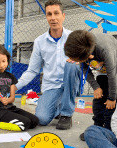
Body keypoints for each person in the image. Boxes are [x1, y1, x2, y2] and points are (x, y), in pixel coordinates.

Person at [15, 0, 81, 130]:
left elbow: (85, 61)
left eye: (56, 13)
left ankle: (66, 114)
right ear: (46, 17)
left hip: (71, 83)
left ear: (63, 15)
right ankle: (59, 108)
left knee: (72, 65)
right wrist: (14, 87)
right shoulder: (39, 41)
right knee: (42, 119)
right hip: (51, 87)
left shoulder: (73, 37)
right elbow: (32, 70)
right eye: (49, 14)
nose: (53, 18)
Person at [64, 30, 117, 140]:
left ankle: (108, 132)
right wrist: (96, 87)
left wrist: (112, 97)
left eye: (78, 60)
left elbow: (113, 75)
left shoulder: (105, 49)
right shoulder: (81, 46)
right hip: (102, 68)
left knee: (111, 104)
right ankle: (97, 128)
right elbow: (84, 69)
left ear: (89, 55)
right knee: (98, 101)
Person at [0, 43, 39, 131]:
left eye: (4, 61)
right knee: (25, 124)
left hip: (10, 108)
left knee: (35, 121)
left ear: (8, 59)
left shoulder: (10, 76)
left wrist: (8, 100)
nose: (2, 65)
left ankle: (0, 120)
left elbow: (12, 98)